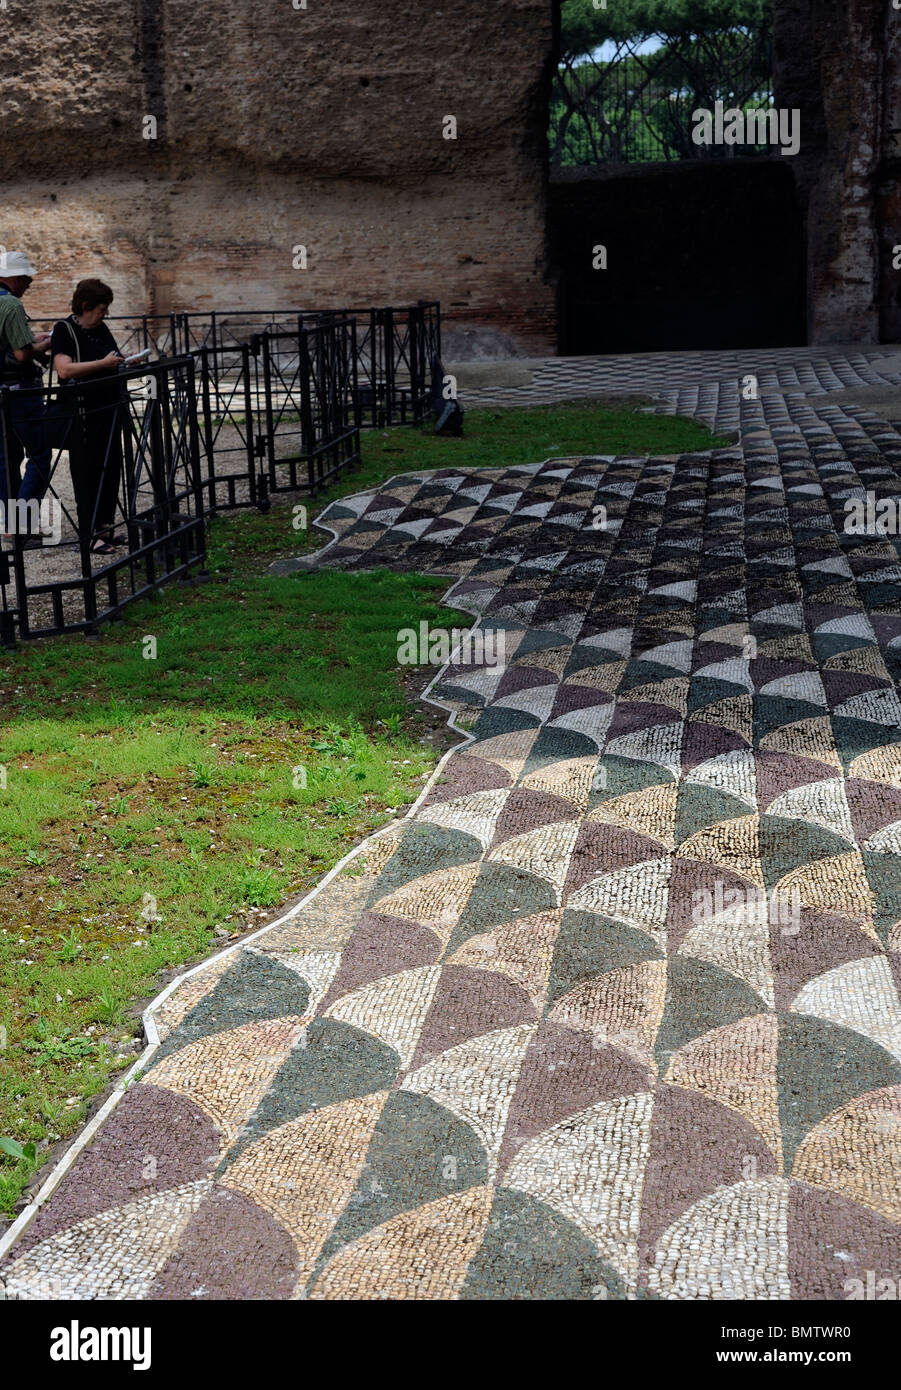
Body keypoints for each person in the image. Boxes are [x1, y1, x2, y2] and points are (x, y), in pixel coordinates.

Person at [50, 278, 125, 554]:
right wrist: (103, 364)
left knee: (111, 466)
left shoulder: (100, 329)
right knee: (87, 472)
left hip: (107, 410)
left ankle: (105, 527)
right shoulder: (64, 330)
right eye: (102, 309)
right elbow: (64, 370)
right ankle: (89, 534)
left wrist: (125, 359)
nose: (105, 314)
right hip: (81, 413)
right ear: (86, 305)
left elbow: (110, 356)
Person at [0, 250, 53, 542]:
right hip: (19, 391)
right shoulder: (10, 305)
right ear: (13, 278)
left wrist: (31, 341)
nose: (29, 282)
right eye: (25, 277)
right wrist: (44, 345)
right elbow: (21, 354)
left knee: (4, 459)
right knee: (40, 455)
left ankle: (12, 523)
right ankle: (22, 522)